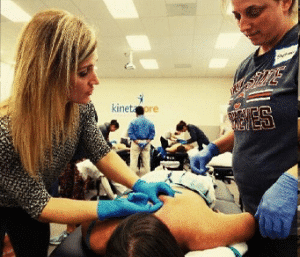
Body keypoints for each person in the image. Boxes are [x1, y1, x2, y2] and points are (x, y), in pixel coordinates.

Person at [0, 10, 174, 256]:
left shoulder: (79, 109)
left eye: (94, 68)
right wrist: (108, 208)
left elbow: (101, 152)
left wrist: (138, 183)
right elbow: (42, 205)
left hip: (36, 192)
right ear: (50, 76)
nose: (96, 80)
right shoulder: (7, 132)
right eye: (84, 72)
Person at [191, 0, 298, 256]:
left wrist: (292, 180)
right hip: (252, 209)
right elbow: (245, 126)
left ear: (285, 2)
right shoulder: (246, 68)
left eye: (253, 12)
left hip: (292, 219)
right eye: (237, 15)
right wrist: (213, 148)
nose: (243, 26)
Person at [81, 170, 256, 256]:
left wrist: (218, 220)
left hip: (187, 184)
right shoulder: (100, 239)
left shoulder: (200, 232)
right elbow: (84, 221)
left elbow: (249, 222)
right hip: (146, 181)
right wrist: (115, 206)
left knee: (205, 179)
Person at [128, 106, 155, 176]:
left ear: (136, 113)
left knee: (133, 161)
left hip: (136, 143)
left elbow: (130, 133)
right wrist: (148, 141)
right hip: (146, 142)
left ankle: (132, 178)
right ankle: (147, 177)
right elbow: (153, 133)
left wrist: (136, 141)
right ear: (143, 112)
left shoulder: (133, 122)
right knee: (146, 161)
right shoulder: (150, 122)